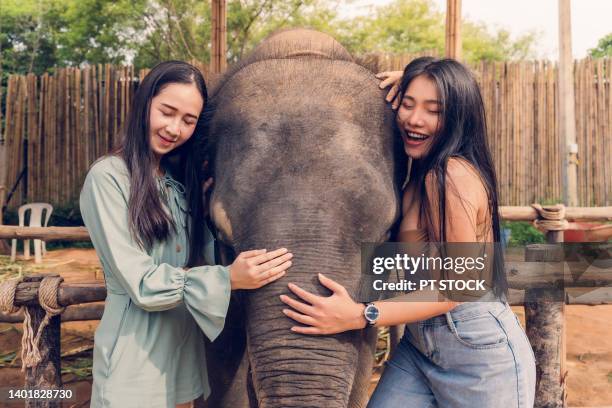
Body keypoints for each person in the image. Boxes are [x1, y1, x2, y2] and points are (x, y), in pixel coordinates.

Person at [279, 57, 536, 407]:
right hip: (422, 344)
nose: (414, 120)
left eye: (435, 110)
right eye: (409, 104)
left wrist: (360, 314)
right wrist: (415, 79)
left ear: (458, 118)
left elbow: (458, 287)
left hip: (479, 349)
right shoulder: (420, 173)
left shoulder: (451, 176)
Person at [80, 61, 293, 408]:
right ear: (144, 103)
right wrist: (228, 278)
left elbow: (200, 259)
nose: (174, 128)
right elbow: (142, 284)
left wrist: (212, 212)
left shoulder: (177, 186)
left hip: (184, 361)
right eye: (167, 112)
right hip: (134, 364)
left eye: (188, 120)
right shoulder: (108, 178)